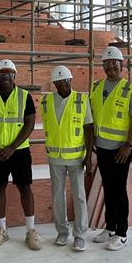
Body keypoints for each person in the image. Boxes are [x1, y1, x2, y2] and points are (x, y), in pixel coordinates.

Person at [0, 59, 41, 250]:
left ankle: (30, 231)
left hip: (19, 151)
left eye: (10, 74)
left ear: (14, 76)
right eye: (3, 74)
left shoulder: (24, 96)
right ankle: (2, 230)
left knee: (25, 188)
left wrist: (12, 147)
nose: (7, 77)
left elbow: (29, 124)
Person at [88, 46, 132, 251]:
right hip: (102, 148)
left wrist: (128, 146)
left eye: (114, 63)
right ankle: (110, 227)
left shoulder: (130, 89)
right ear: (103, 65)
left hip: (120, 150)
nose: (111, 66)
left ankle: (122, 233)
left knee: (119, 191)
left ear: (122, 65)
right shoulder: (95, 87)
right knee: (109, 189)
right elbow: (92, 117)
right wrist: (93, 141)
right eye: (107, 63)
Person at [40, 65, 94, 252]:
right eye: (58, 82)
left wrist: (88, 156)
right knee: (57, 196)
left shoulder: (81, 99)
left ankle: (80, 235)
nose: (62, 84)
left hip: (77, 157)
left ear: (70, 80)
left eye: (65, 81)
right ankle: (62, 232)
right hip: (55, 157)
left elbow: (88, 128)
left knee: (79, 196)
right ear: (54, 83)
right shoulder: (46, 102)